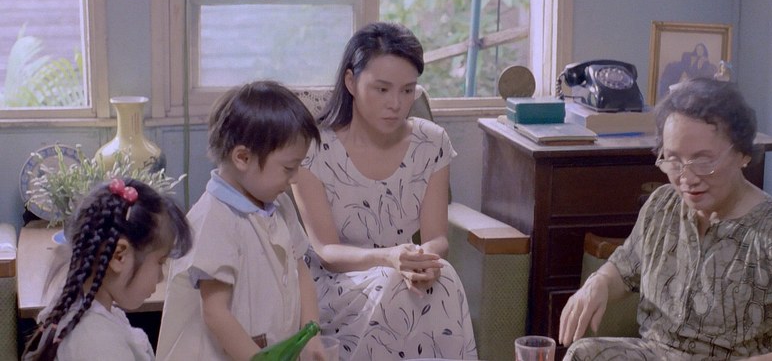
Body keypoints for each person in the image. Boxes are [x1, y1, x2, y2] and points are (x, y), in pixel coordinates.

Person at [558, 78, 772, 360]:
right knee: (584, 354)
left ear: (742, 154)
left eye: (703, 161)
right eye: (673, 160)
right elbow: (625, 268)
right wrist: (599, 283)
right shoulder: (662, 205)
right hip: (657, 353)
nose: (687, 178)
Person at [293, 21, 478, 360]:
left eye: (408, 90)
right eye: (382, 89)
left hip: (403, 272)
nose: (396, 103)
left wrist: (422, 260)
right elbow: (326, 251)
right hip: (335, 285)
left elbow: (437, 237)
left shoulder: (432, 142)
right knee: (392, 284)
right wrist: (389, 259)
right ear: (351, 81)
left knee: (445, 279)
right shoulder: (314, 148)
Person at [157, 80, 327, 361]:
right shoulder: (214, 219)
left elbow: (300, 268)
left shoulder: (279, 205)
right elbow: (215, 312)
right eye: (289, 168)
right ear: (243, 157)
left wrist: (312, 334)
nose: (295, 178)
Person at [22, 178, 193, 361]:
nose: (160, 277)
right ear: (119, 256)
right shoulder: (97, 342)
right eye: (160, 262)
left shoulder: (84, 313)